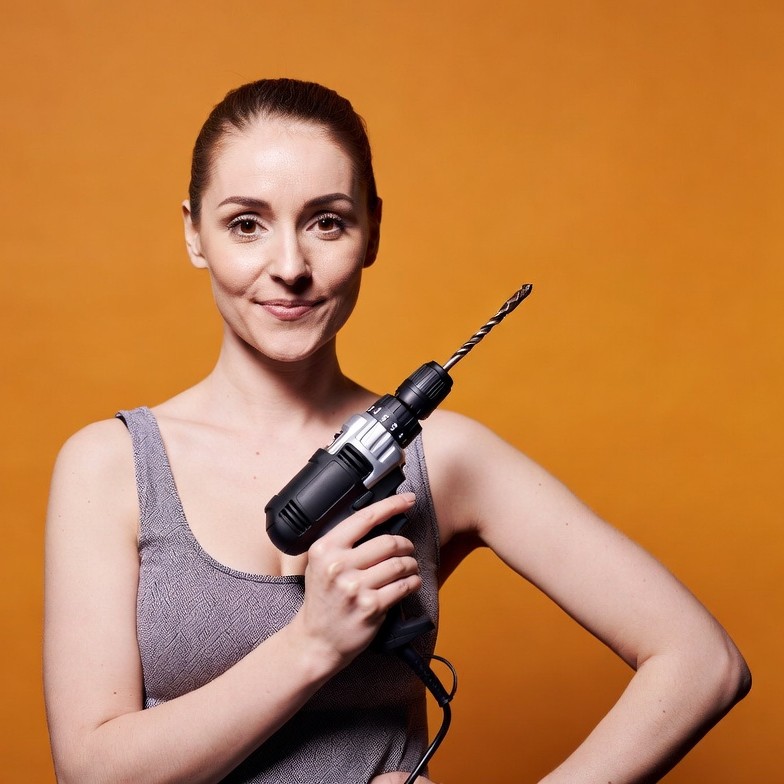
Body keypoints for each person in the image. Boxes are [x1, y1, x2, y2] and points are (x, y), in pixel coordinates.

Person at [43, 78, 750, 784]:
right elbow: (94, 773)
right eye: (246, 224)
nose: (289, 267)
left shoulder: (441, 459)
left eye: (327, 221)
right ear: (194, 233)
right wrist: (312, 644)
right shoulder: (111, 468)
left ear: (372, 231)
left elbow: (702, 664)